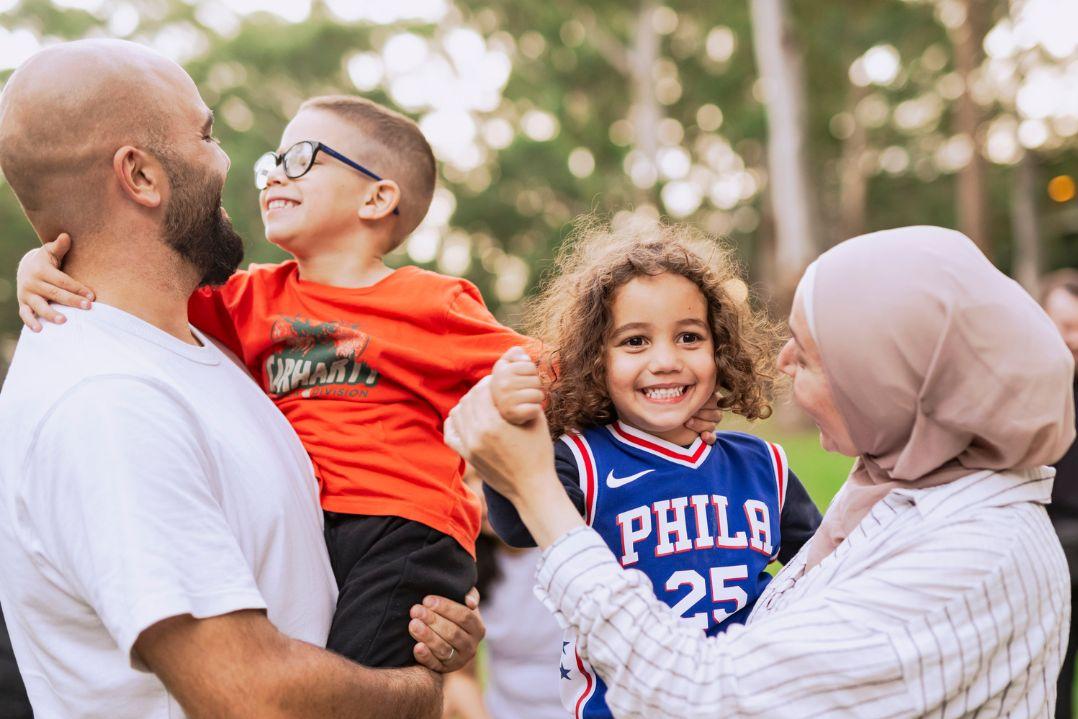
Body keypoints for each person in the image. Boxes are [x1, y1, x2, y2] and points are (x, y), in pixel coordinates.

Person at [15, 97, 722, 670]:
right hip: (319, 530)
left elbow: (554, 371)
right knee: (321, 666)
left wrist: (660, 402)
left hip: (405, 529)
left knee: (358, 683)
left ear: (378, 197)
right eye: (272, 160)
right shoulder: (250, 298)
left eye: (300, 159)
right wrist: (41, 268)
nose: (272, 175)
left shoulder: (433, 304)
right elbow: (134, 289)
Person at [0, 39, 480, 718]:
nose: (229, 162)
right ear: (141, 176)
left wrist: (418, 622)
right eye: (205, 134)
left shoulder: (211, 350)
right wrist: (418, 692)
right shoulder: (105, 401)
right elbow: (252, 697)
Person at [445, 226, 1076, 718]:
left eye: (812, 350)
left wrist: (533, 483)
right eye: (635, 342)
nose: (780, 359)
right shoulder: (902, 487)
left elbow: (705, 698)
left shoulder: (972, 560)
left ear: (893, 374)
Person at [482, 220, 822, 717]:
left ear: (719, 349)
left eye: (689, 337)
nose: (665, 360)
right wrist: (513, 417)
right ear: (596, 359)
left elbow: (820, 573)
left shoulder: (763, 466)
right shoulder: (580, 460)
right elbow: (515, 523)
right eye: (635, 342)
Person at [1041, 268, 1078, 719]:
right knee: (1052, 670)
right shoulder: (1022, 392)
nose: (1072, 339)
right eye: (1064, 327)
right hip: (1047, 538)